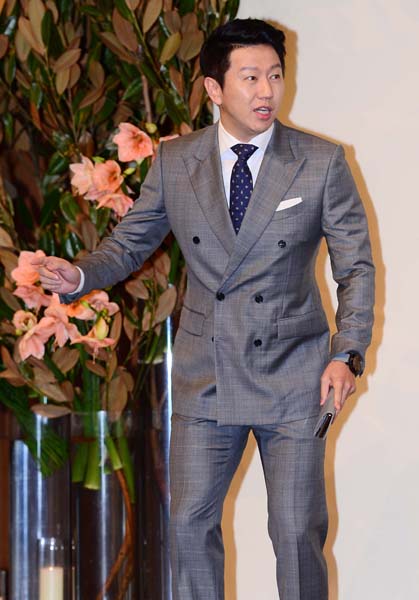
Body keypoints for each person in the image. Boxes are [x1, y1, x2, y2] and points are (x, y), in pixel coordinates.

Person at [34, 18, 375, 600]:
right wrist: (82, 275)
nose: (267, 91)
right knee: (189, 529)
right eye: (250, 77)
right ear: (214, 88)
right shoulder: (176, 161)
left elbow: (356, 268)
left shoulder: (320, 162)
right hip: (206, 373)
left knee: (296, 533)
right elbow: (130, 244)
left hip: (294, 373)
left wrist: (347, 352)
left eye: (275, 76)